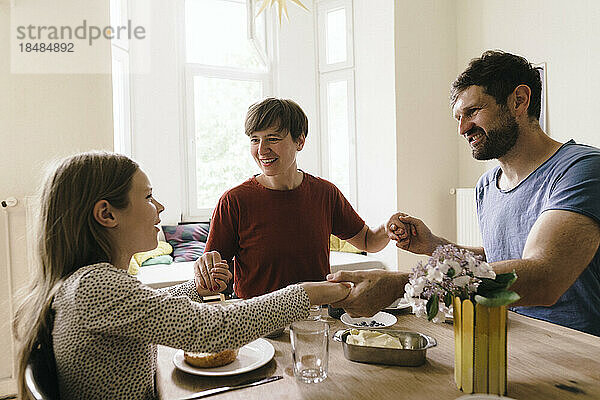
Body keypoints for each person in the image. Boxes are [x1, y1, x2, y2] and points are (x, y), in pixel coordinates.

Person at [12, 151, 351, 400]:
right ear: (106, 214)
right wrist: (310, 293)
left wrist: (196, 288)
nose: (159, 207)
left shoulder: (88, 282)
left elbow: (150, 306)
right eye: (147, 197)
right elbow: (214, 330)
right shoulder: (95, 286)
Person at [331, 51, 600, 337]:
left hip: (578, 352)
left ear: (519, 100)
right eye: (458, 118)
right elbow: (499, 262)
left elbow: (544, 276)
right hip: (508, 338)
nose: (462, 129)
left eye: (472, 112)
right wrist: (435, 246)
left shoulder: (582, 169)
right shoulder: (486, 186)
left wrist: (407, 283)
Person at [195, 97, 408, 299]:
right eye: (254, 140)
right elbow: (213, 278)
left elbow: (367, 241)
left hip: (315, 318)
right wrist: (209, 276)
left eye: (273, 139)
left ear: (300, 141)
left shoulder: (325, 193)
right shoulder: (234, 201)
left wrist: (388, 227)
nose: (262, 150)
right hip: (257, 324)